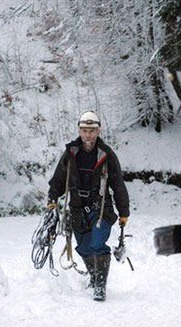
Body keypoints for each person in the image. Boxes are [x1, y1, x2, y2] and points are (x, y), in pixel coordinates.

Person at [47, 111, 129, 301]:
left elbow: (117, 184)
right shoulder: (71, 153)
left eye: (92, 130)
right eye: (84, 130)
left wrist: (124, 212)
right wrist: (52, 199)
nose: (88, 135)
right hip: (76, 209)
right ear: (79, 131)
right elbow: (58, 180)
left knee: (97, 243)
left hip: (100, 209)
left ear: (98, 130)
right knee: (83, 247)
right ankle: (94, 277)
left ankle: (100, 287)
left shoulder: (107, 155)